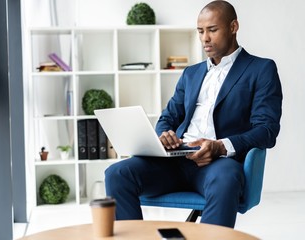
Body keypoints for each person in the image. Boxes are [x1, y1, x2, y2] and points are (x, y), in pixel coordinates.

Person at [105, 0, 282, 228]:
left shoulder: (261, 69)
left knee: (226, 179)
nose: (205, 38)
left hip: (218, 162)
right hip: (174, 159)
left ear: (233, 26)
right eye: (200, 31)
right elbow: (168, 117)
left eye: (212, 30)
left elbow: (267, 130)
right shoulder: (191, 73)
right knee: (117, 173)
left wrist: (220, 146)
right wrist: (164, 135)